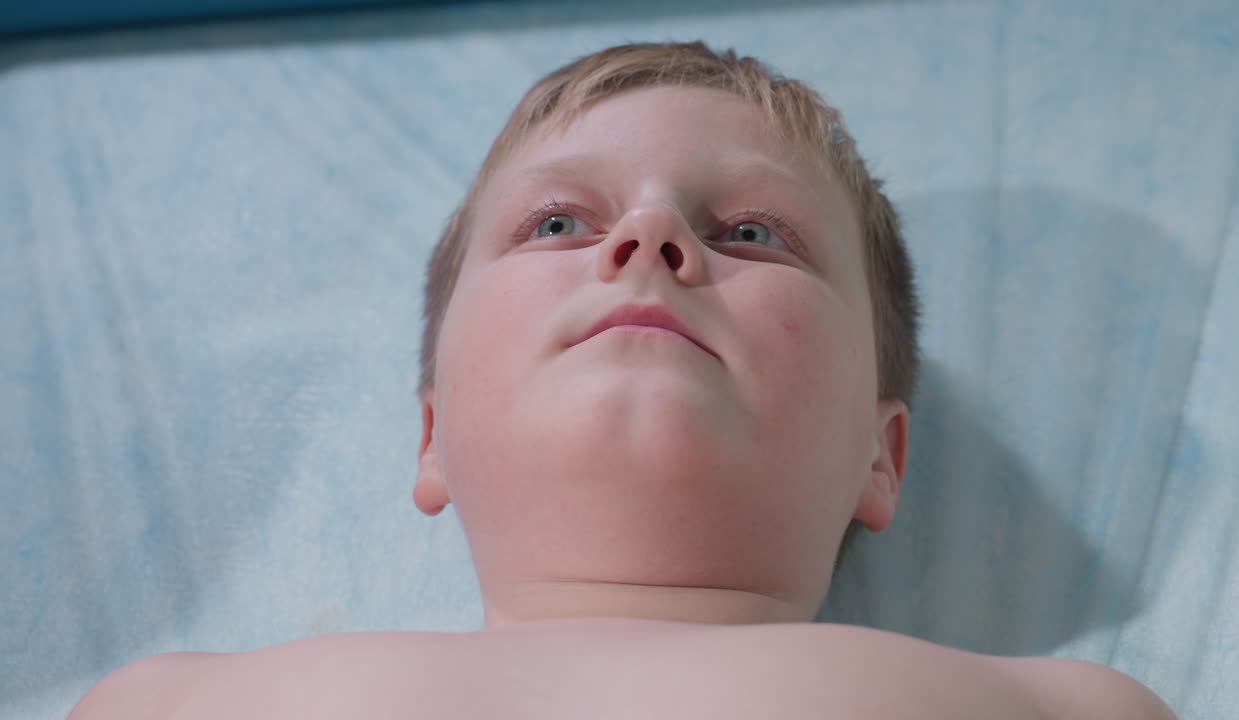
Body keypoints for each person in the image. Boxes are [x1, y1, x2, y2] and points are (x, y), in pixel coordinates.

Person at [69, 41, 1176, 719]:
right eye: (557, 222)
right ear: (432, 436)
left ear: (877, 459)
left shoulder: (1062, 709)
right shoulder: (166, 703)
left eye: (751, 232)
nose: (647, 238)